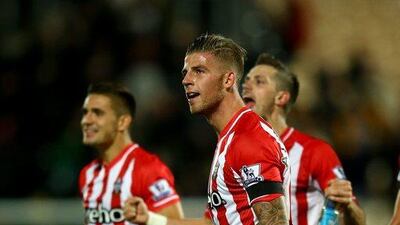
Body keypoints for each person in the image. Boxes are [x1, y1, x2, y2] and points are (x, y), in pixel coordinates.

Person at [123, 34, 291, 225]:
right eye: (185, 72)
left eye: (199, 71)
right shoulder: (230, 137)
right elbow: (211, 222)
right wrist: (151, 219)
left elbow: (275, 222)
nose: (186, 80)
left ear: (228, 80)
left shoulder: (249, 139)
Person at [241, 53, 366, 225]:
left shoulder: (314, 152)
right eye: (246, 80)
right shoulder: (235, 152)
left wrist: (347, 203)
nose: (246, 86)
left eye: (259, 81)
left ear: (281, 97)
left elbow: (359, 221)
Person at [79, 82, 184, 224]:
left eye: (97, 113)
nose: (86, 120)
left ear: (122, 122)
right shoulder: (87, 174)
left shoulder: (148, 169)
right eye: (85, 112)